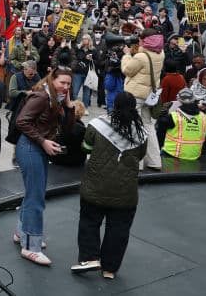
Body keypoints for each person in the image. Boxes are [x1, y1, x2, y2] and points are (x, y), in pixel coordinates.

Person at [71, 92, 147, 279]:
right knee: (119, 230)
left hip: (95, 187)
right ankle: (110, 269)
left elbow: (86, 148)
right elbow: (140, 156)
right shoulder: (141, 133)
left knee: (89, 222)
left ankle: (90, 258)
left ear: (114, 104)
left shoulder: (98, 125)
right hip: (125, 192)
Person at [13, 66, 73, 266]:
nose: (65, 87)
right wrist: (43, 141)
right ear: (52, 79)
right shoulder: (41, 97)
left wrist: (69, 105)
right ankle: (31, 246)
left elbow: (68, 127)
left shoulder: (56, 97)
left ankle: (22, 233)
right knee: (36, 198)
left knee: (33, 194)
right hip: (30, 148)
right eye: (62, 82)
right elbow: (22, 121)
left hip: (36, 148)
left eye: (68, 84)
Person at [120, 30, 164, 170]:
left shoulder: (141, 56)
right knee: (148, 126)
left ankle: (136, 163)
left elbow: (127, 70)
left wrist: (127, 55)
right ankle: (154, 161)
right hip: (148, 95)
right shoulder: (161, 53)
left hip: (135, 96)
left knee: (134, 127)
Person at [157, 89, 206, 161]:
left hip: (172, 155)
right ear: (194, 99)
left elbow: (160, 133)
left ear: (178, 99)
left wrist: (162, 115)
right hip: (195, 156)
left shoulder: (173, 117)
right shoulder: (205, 118)